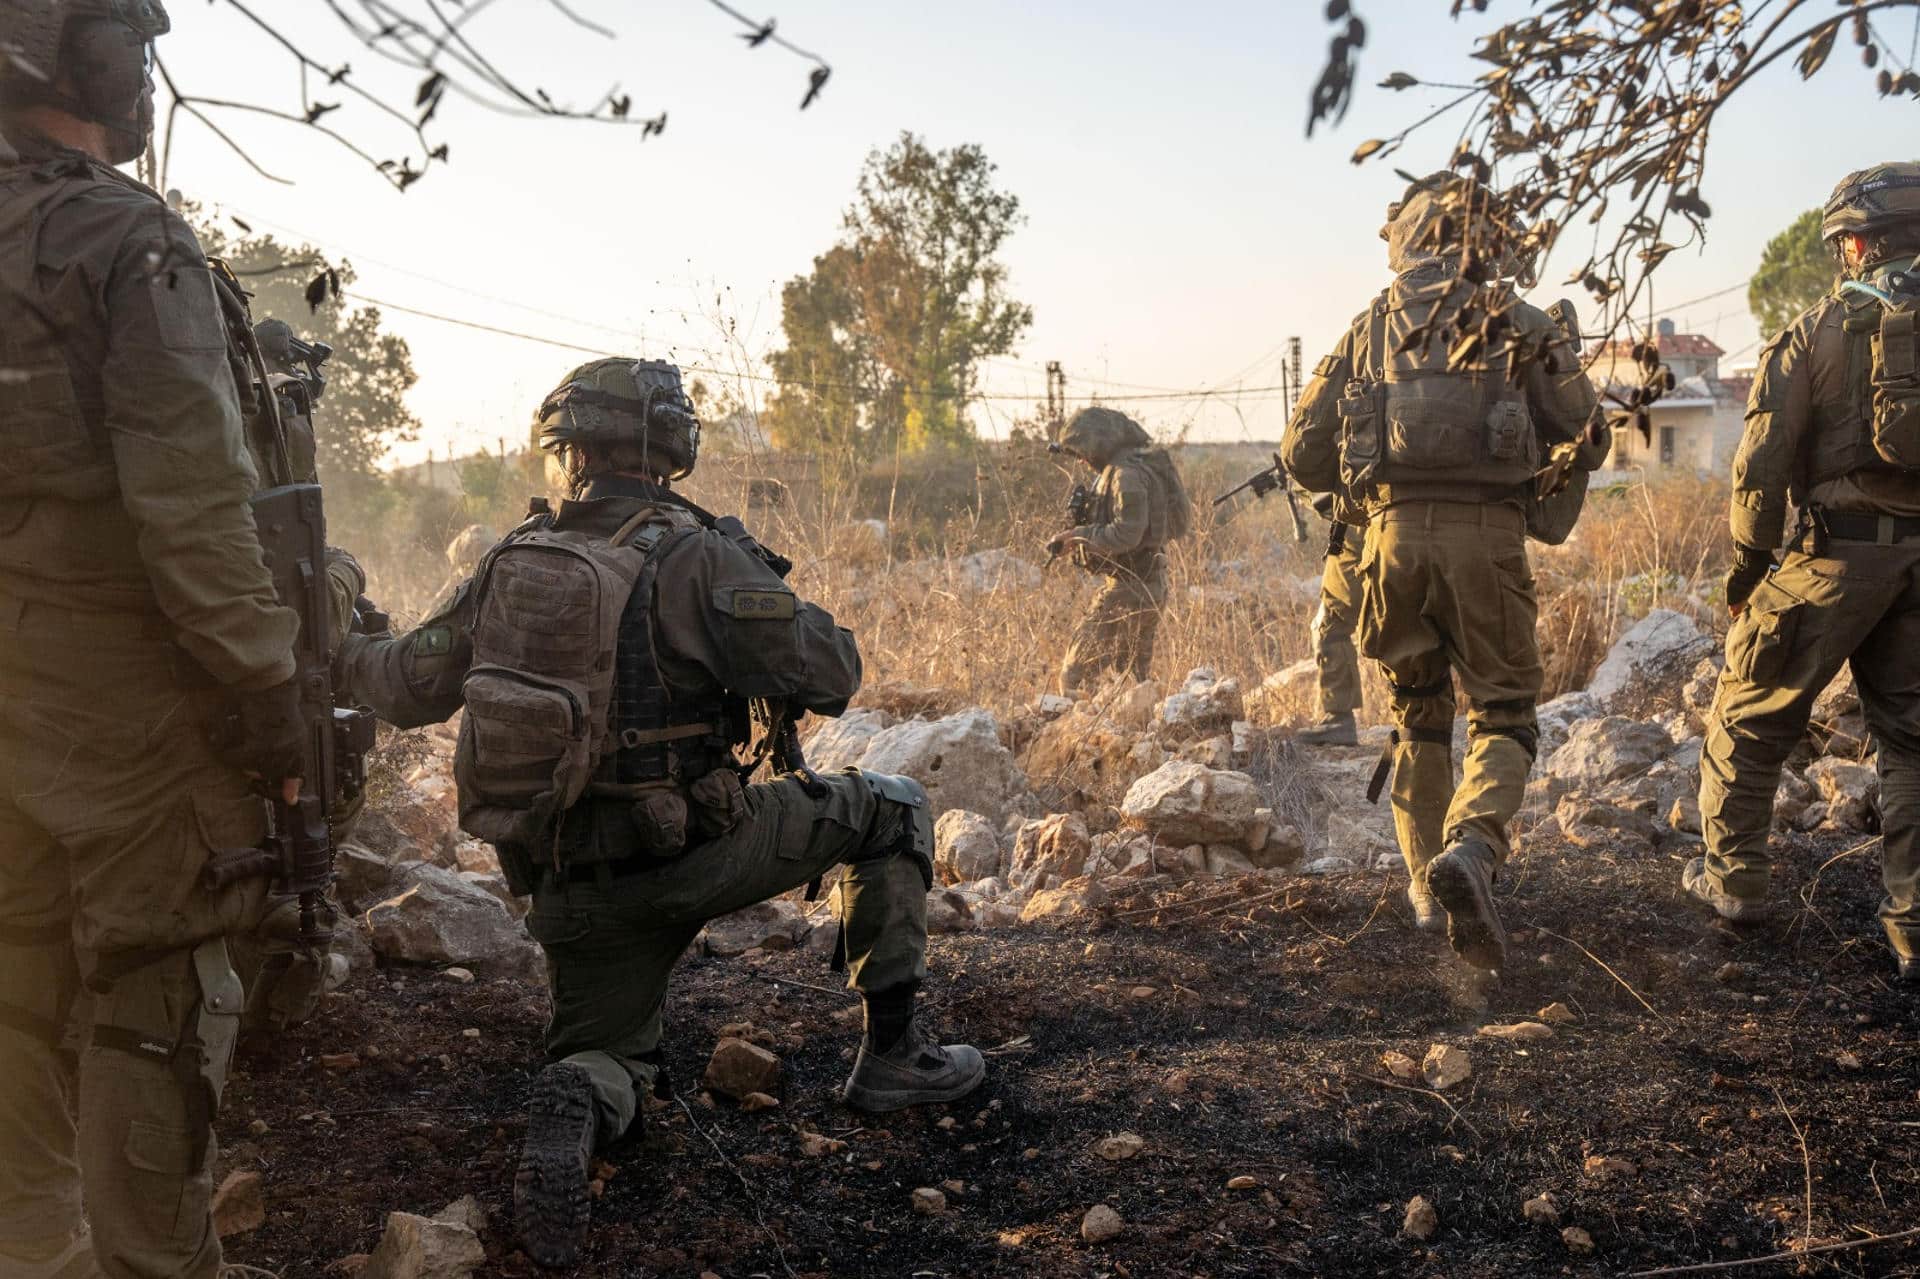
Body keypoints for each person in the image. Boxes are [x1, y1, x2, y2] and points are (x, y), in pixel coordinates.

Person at [333, 357, 985, 1267]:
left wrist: (342, 633)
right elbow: (833, 673)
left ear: (568, 451)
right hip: (703, 856)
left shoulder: (508, 561)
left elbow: (401, 684)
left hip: (569, 889)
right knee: (896, 807)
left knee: (610, 1058)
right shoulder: (694, 551)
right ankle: (894, 1061)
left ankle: (586, 1095)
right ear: (669, 448)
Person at [0, 2, 310, 1275]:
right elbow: (190, 503)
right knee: (155, 982)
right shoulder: (128, 238)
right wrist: (266, 686)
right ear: (79, 57)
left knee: (15, 962)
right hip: (115, 688)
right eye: (129, 45)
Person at [1283, 174, 1604, 962]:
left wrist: (1369, 504)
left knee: (1418, 714)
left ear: (1408, 240)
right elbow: (1587, 425)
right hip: (1487, 542)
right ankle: (1472, 847)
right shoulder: (1518, 320)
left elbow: (1300, 452)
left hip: (1389, 547)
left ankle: (1429, 891)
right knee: (1503, 714)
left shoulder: (1370, 325)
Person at [1690, 163, 1920, 984]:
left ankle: (1736, 884)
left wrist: (1749, 569)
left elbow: (1760, 466)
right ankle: (1913, 926)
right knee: (1913, 743)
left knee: (1749, 713)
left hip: (1833, 555)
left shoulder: (1818, 330)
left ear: (1856, 242)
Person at [1048, 406, 1191, 695]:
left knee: (1074, 675)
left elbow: (1127, 533)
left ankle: (1075, 737)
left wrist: (1078, 536)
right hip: (1148, 586)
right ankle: (1141, 736)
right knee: (1131, 682)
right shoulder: (1130, 467)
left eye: (1083, 452)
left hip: (1131, 589)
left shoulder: (1127, 475)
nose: (1084, 461)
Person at [1296, 495, 1364, 747]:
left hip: (1362, 535)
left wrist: (1302, 491)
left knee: (1329, 624)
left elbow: (1329, 495)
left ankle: (1339, 719)